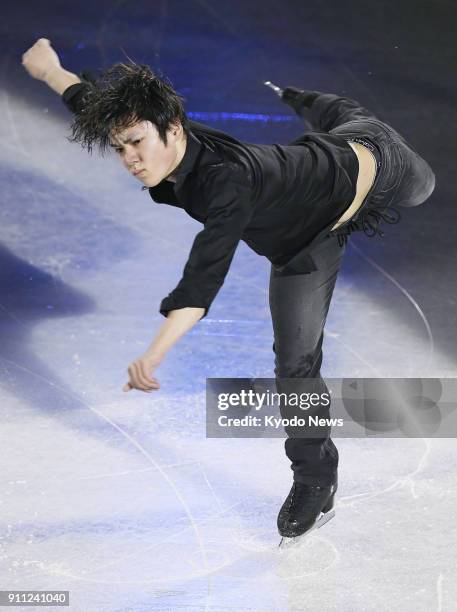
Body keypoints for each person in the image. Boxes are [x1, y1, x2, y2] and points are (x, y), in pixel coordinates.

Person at [22, 38, 436, 542]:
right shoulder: (170, 142)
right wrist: (51, 72)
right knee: (294, 365)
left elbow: (204, 275)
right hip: (303, 246)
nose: (129, 158)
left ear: (173, 129)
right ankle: (316, 478)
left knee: (418, 182)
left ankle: (322, 105)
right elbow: (93, 104)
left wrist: (153, 354)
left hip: (372, 167)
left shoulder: (225, 181)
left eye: (136, 142)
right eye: (120, 148)